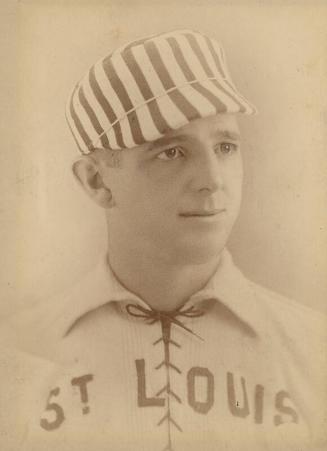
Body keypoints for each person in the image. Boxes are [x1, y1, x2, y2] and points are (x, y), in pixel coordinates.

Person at [1, 29, 326, 451]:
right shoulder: (16, 356)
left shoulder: (314, 350)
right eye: (172, 152)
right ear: (98, 181)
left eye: (226, 147)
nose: (212, 181)